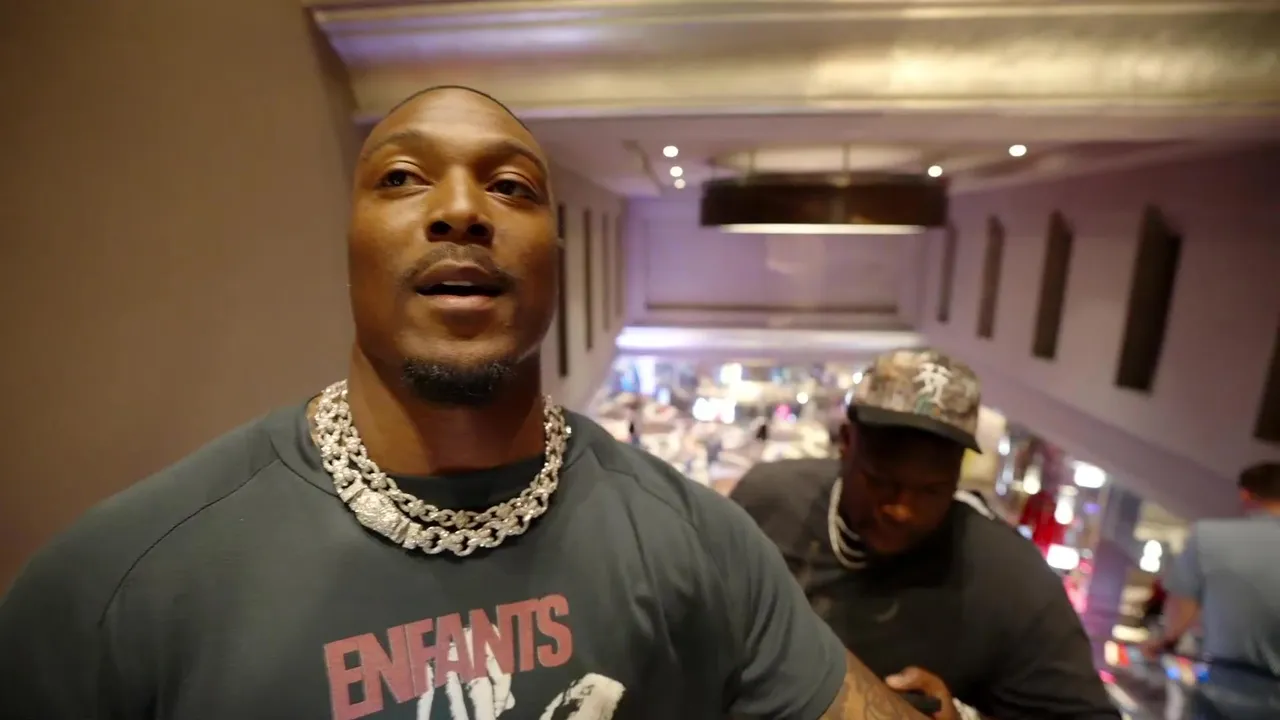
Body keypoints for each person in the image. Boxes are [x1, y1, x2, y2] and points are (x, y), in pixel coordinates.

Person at [0, 86, 930, 720]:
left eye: (511, 186)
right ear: (351, 244)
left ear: (555, 259)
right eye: (402, 178)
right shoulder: (117, 587)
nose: (460, 210)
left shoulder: (700, 542)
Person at [731, 349, 1119, 720]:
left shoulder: (1012, 580)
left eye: (931, 490)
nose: (902, 510)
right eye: (881, 482)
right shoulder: (768, 503)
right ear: (847, 443)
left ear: (957, 473)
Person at [1143, 462, 1280, 718]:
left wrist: (1164, 640)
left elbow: (1181, 611)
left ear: (1246, 495)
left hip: (1226, 689)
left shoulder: (1208, 536)